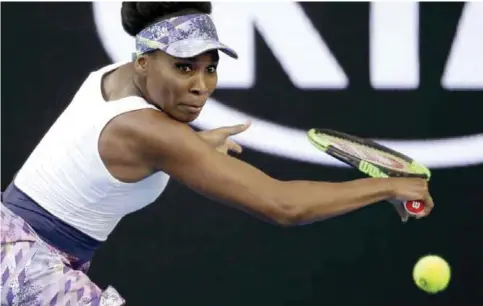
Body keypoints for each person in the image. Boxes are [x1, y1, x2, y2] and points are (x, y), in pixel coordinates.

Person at [0, 2, 434, 305]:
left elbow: (93, 153)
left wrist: (188, 149)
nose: (201, 86)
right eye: (184, 67)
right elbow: (283, 205)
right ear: (144, 62)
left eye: (210, 68)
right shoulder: (153, 132)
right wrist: (389, 186)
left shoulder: (111, 79)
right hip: (26, 267)